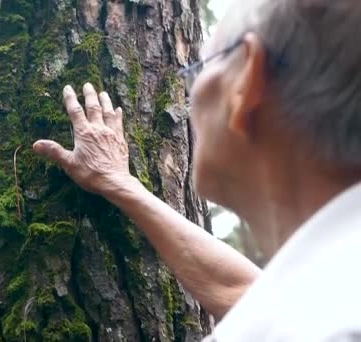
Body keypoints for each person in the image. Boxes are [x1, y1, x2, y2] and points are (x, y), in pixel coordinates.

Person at [32, 0, 361, 340]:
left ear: (246, 81)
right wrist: (121, 184)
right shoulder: (335, 291)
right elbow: (248, 294)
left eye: (199, 69)